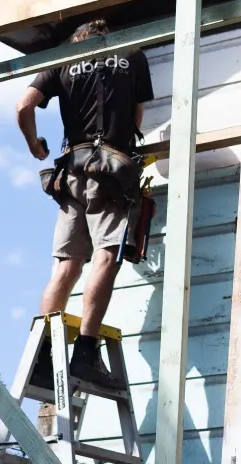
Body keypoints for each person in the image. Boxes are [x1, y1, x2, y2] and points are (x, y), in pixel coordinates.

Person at [16, 19, 153, 388]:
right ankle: (86, 354)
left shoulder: (64, 60)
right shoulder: (132, 54)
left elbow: (24, 106)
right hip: (111, 172)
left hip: (71, 172)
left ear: (78, 40)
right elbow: (137, 116)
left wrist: (34, 144)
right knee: (106, 256)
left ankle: (43, 357)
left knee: (67, 266)